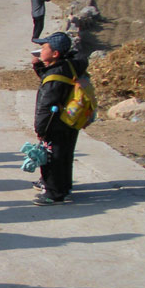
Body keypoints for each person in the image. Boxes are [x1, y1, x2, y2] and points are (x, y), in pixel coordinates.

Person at [31, 32, 89, 206]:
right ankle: (64, 188)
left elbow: (46, 106)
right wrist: (39, 66)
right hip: (70, 121)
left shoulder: (56, 76)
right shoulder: (70, 65)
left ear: (55, 54)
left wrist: (40, 129)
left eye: (44, 48)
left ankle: (54, 194)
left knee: (51, 159)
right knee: (64, 155)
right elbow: (52, 75)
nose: (40, 51)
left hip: (55, 124)